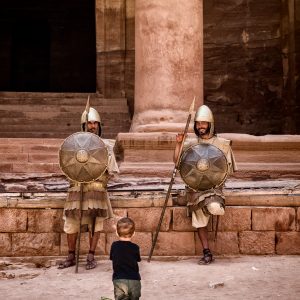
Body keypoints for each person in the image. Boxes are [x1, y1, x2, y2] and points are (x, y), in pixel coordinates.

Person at [174, 104, 237, 265]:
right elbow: (177, 162)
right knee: (199, 219)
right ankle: (206, 252)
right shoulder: (191, 144)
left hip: (213, 188)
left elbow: (227, 169)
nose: (200, 126)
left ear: (210, 124)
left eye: (204, 123)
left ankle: (214, 204)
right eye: (198, 123)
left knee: (215, 208)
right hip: (195, 188)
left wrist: (215, 179)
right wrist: (178, 144)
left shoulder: (221, 144)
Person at [58, 105, 119, 270]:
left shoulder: (106, 146)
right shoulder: (73, 145)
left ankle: (91, 255)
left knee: (96, 224)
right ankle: (71, 255)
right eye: (89, 123)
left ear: (99, 125)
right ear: (83, 126)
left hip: (97, 188)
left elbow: (112, 171)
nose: (92, 126)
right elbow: (66, 167)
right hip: (77, 187)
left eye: (95, 123)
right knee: (71, 222)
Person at [110, 217, 141, 300]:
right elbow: (138, 259)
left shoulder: (114, 246)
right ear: (134, 233)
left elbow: (112, 258)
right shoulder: (135, 247)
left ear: (117, 232)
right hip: (134, 280)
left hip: (119, 279)